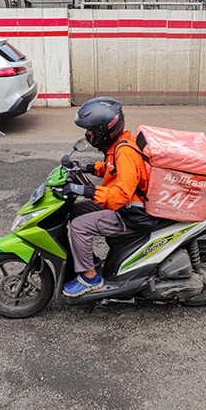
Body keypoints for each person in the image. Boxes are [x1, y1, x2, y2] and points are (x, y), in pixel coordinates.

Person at [60, 97, 150, 297]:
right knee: (76, 210)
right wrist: (87, 167)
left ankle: (90, 278)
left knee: (80, 226)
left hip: (131, 213)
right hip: (123, 206)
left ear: (103, 131)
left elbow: (122, 195)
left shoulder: (125, 152)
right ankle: (88, 259)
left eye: (90, 132)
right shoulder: (118, 145)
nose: (87, 135)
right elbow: (111, 168)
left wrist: (87, 191)